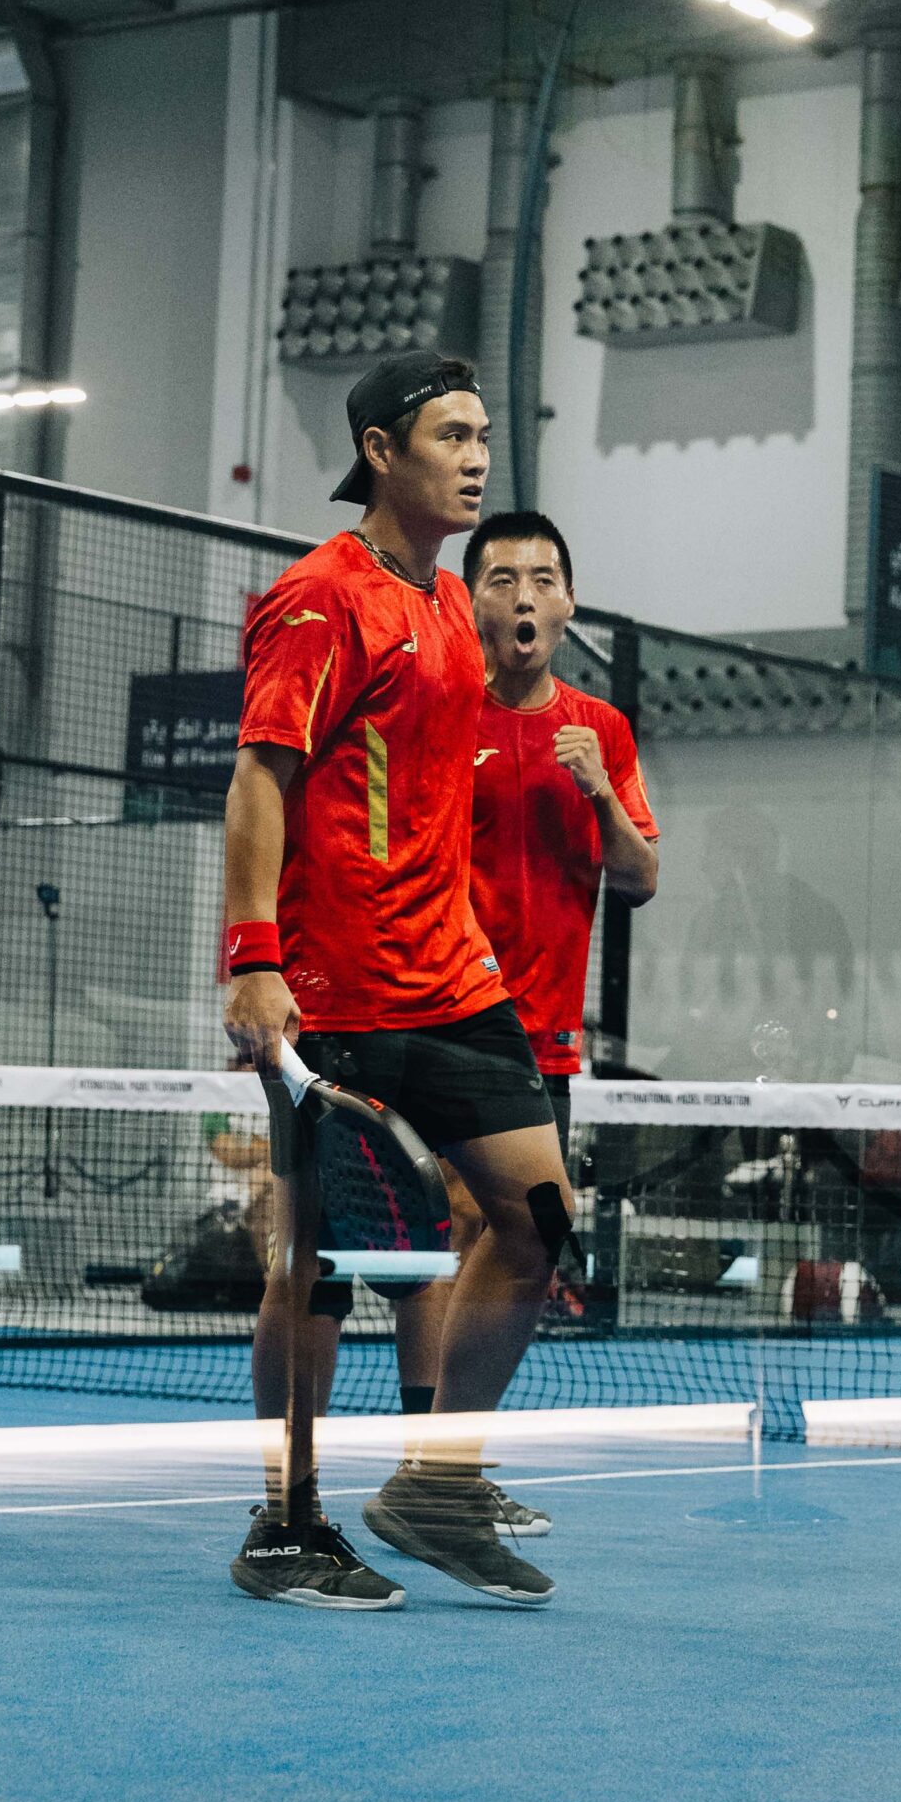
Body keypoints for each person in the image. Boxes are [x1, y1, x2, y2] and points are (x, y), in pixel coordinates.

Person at [220, 352, 578, 1611]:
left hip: (455, 981)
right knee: (316, 1263)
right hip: (335, 990)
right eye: (449, 436)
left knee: (536, 1221)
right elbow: (259, 777)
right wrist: (253, 959)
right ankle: (284, 1523)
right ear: (380, 451)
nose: (475, 458)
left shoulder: (450, 610)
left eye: (483, 435)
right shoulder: (319, 600)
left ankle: (436, 1483)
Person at [453, 512, 659, 1342]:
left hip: (546, 1043)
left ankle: (457, 1416)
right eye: (502, 580)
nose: (524, 597)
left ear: (568, 603)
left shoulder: (602, 731)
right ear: (471, 600)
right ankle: (436, 1419)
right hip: (448, 1022)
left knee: (534, 1239)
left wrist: (600, 791)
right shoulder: (442, 715)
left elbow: (641, 879)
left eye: (543, 580)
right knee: (459, 1228)